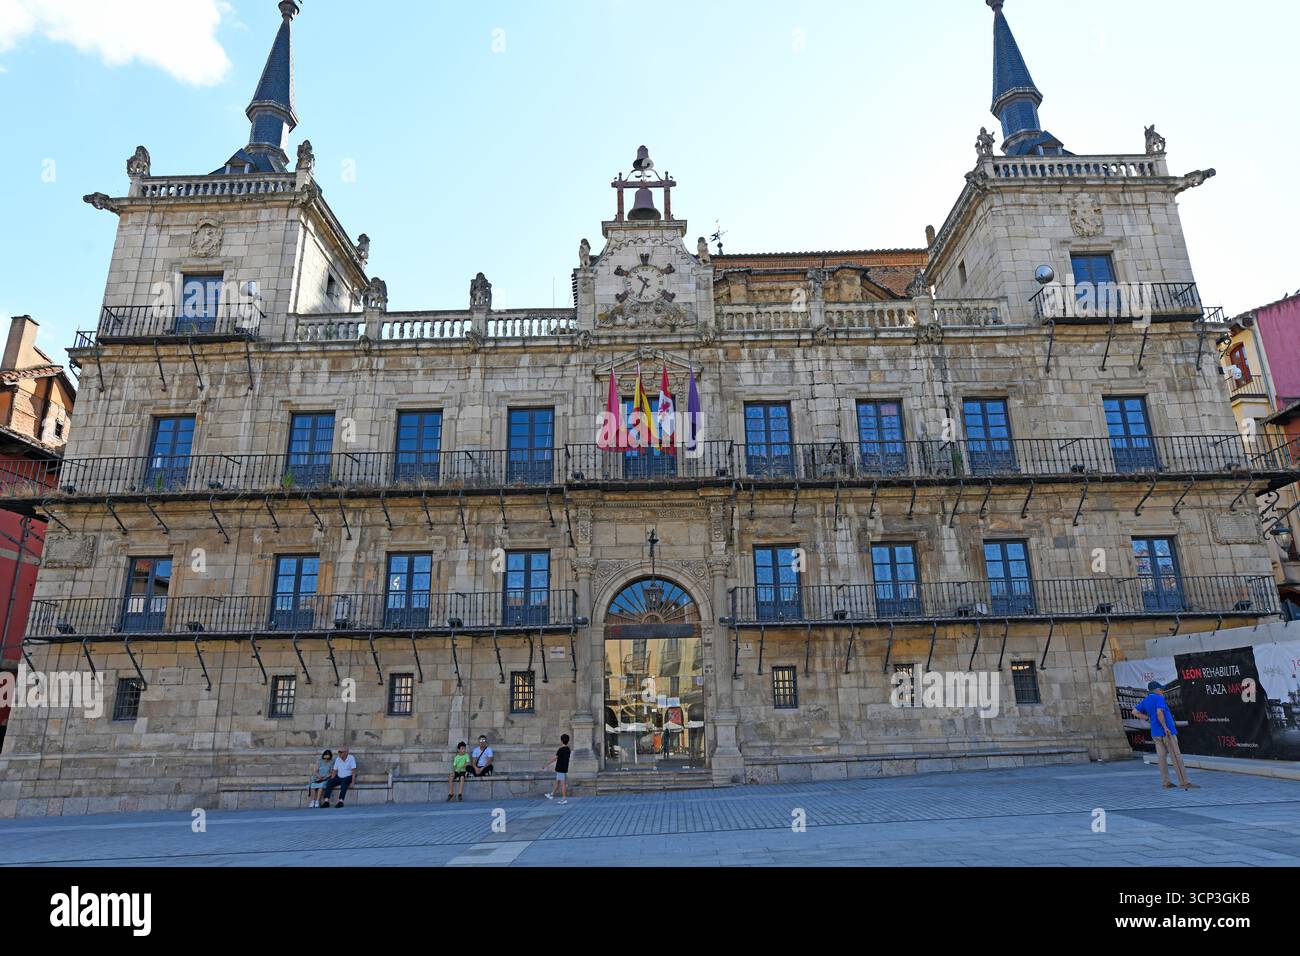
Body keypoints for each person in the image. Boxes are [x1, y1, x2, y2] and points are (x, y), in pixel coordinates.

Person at [1134, 681, 1199, 791]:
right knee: (1176, 757)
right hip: (1166, 733)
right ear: (1156, 690)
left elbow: (1134, 712)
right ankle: (1184, 782)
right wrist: (1165, 727)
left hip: (1155, 733)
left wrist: (1148, 719)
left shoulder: (1146, 700)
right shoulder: (1159, 698)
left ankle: (1166, 783)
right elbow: (1160, 713)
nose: (1162, 691)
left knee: (1161, 759)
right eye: (1161, 689)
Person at [543, 733, 571, 804]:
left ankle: (564, 799)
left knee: (562, 784)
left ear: (561, 741)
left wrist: (546, 764)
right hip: (563, 768)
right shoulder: (568, 749)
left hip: (560, 768)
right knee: (557, 782)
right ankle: (552, 794)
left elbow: (554, 758)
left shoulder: (561, 749)